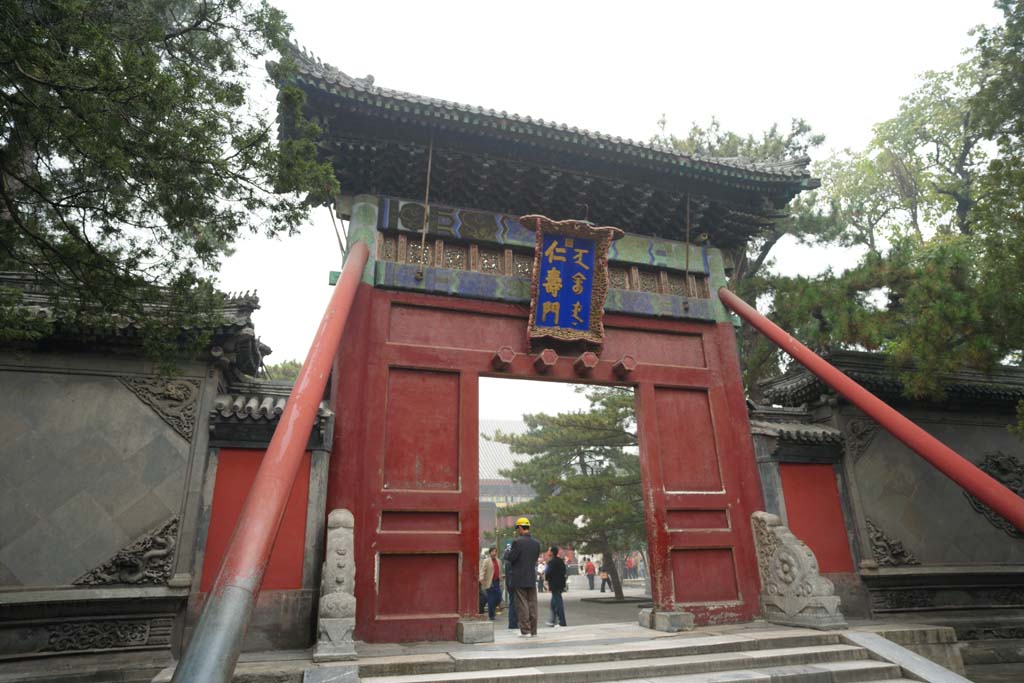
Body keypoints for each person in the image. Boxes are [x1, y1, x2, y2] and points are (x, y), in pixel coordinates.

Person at [507, 517, 541, 637]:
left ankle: (525, 630)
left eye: (517, 528)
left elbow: (511, 558)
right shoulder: (537, 543)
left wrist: (508, 552)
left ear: (521, 528)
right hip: (531, 577)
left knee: (522, 605)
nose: (517, 531)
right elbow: (535, 559)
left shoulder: (517, 542)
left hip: (519, 577)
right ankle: (533, 630)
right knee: (532, 604)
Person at [544, 545, 568, 627]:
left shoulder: (552, 562)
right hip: (560, 584)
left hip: (554, 585)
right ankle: (553, 620)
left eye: (549, 550)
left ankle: (562, 622)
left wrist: (546, 580)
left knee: (558, 603)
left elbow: (548, 573)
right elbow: (564, 572)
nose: (547, 552)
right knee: (553, 603)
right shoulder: (561, 561)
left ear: (552, 552)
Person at [479, 546, 503, 621]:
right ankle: (491, 615)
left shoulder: (499, 561)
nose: (494, 553)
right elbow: (483, 570)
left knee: (498, 597)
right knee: (490, 599)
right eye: (493, 551)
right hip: (490, 582)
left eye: (495, 551)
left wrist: (501, 579)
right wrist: (481, 577)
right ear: (490, 553)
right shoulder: (486, 561)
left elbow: (500, 571)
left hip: (497, 582)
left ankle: (492, 609)